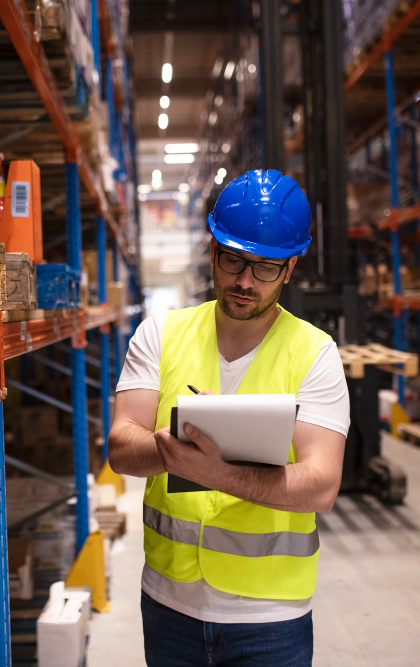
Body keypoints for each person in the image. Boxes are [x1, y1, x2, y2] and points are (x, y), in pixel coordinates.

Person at [108, 169, 351, 666]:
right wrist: (167, 449)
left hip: (269, 618)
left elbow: (322, 484)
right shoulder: (161, 334)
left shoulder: (315, 354)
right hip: (169, 604)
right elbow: (119, 448)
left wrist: (215, 472)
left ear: (291, 268)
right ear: (213, 251)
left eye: (264, 268)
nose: (244, 281)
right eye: (233, 260)